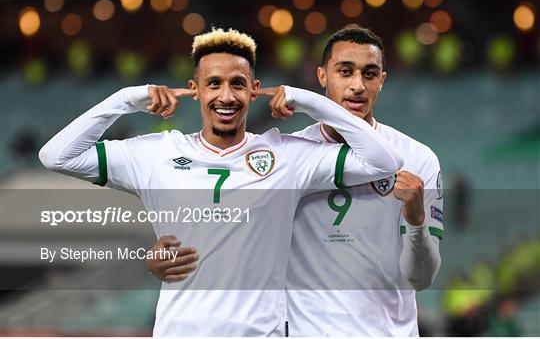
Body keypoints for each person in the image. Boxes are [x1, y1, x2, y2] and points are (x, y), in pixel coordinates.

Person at [39, 28, 403, 336]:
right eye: (213, 83)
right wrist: (126, 99)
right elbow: (57, 155)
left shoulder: (287, 156)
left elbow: (384, 161)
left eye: (238, 84)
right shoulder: (155, 154)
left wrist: (306, 99)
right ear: (194, 89)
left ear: (255, 90)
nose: (226, 96)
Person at [148, 26, 443, 336]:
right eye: (345, 71)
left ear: (381, 81)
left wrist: (417, 220)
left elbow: (421, 278)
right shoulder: (283, 158)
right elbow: (223, 234)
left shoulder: (416, 158)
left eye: (369, 74)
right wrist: (160, 261)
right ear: (322, 76)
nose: (357, 85)